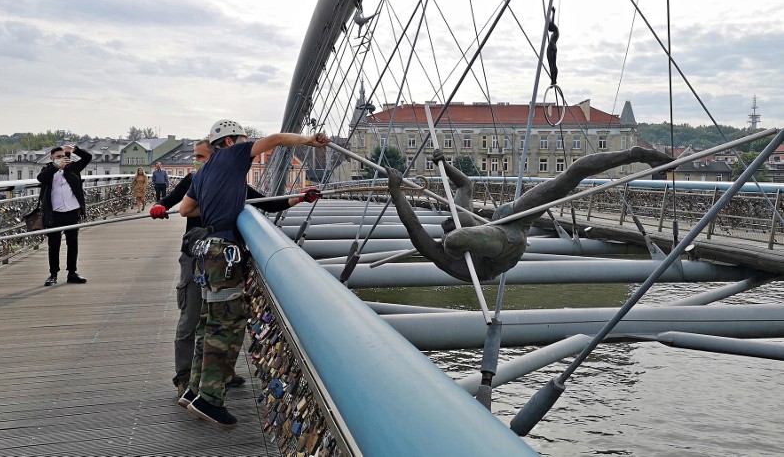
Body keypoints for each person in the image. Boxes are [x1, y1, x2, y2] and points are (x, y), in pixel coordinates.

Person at [177, 119, 328, 428]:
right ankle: (209, 399)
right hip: (225, 256)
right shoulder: (233, 156)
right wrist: (310, 141)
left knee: (208, 323)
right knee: (226, 327)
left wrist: (221, 205)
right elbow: (275, 139)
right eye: (245, 141)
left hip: (207, 253)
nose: (250, 148)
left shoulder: (205, 172)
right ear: (231, 142)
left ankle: (193, 390)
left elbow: (185, 210)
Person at [149, 139, 321, 400]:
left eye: (202, 156)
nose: (198, 161)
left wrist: (300, 198)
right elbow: (176, 203)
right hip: (196, 257)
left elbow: (269, 203)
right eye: (196, 156)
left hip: (220, 259)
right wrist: (160, 207)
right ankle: (184, 378)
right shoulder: (197, 178)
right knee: (193, 317)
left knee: (215, 318)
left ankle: (218, 373)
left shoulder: (233, 182)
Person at [387, 146, 674, 282]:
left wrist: (444, 164)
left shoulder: (463, 219)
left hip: (509, 222)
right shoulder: (444, 251)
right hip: (501, 251)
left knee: (568, 177)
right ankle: (468, 234)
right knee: (455, 241)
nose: (450, 220)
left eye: (451, 220)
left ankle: (633, 154)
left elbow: (465, 185)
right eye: (448, 224)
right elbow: (415, 230)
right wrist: (395, 191)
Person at [36, 145, 92, 286]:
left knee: (72, 243)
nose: (61, 159)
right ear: (52, 158)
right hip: (54, 214)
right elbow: (41, 178)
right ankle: (53, 274)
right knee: (53, 245)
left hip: (72, 211)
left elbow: (88, 158)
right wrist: (56, 167)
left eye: (63, 156)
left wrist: (76, 150)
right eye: (58, 157)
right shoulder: (48, 170)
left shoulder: (72, 168)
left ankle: (72, 273)